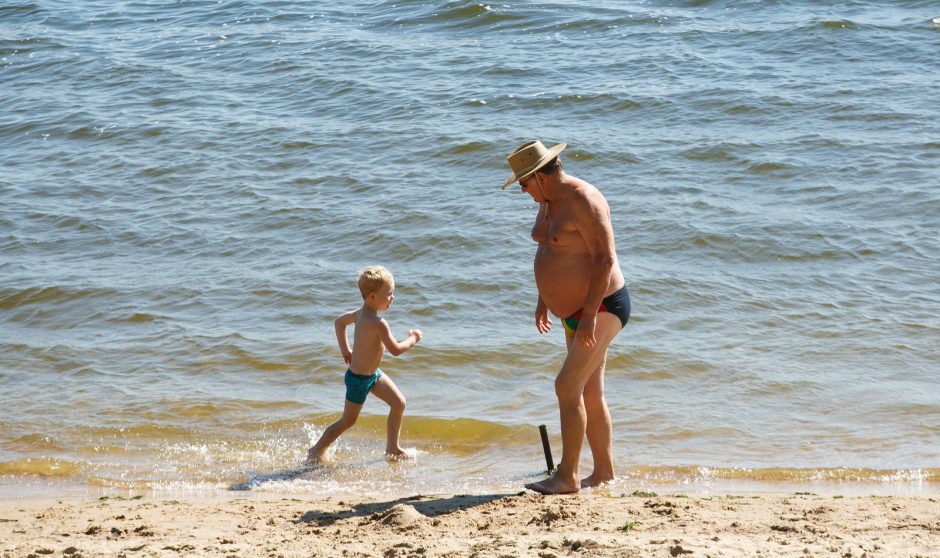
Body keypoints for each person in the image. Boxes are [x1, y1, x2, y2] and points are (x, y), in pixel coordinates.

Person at [501, 140, 630, 495]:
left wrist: (588, 316)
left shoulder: (583, 200)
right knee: (590, 391)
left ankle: (567, 476)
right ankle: (604, 472)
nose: (522, 190)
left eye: (523, 184)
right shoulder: (548, 201)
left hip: (602, 306)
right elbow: (552, 249)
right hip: (573, 311)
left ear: (539, 177)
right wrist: (545, 296)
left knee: (566, 386)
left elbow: (604, 259)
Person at [305, 265, 423, 464]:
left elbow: (339, 322)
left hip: (373, 375)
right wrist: (413, 339)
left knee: (398, 403)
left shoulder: (359, 314)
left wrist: (346, 350)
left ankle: (392, 448)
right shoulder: (378, 323)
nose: (392, 297)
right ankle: (316, 450)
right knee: (348, 421)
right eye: (389, 294)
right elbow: (395, 350)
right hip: (359, 379)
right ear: (372, 296)